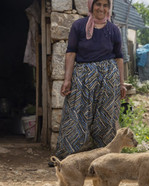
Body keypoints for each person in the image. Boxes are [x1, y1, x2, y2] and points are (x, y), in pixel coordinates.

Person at [50, 0, 126, 166]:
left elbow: (119, 57)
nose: (101, 8)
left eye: (105, 5)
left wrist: (121, 83)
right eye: (98, 4)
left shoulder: (113, 30)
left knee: (105, 118)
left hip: (108, 78)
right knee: (75, 114)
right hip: (82, 77)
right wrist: (67, 79)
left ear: (109, 8)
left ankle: (105, 159)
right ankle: (65, 159)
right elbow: (71, 53)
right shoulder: (79, 26)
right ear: (91, 6)